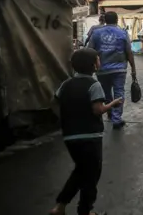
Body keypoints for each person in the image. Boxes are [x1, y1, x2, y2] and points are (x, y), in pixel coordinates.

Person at [49, 48, 122, 215]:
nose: (99, 62)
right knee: (91, 175)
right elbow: (98, 109)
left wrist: (66, 118)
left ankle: (60, 206)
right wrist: (113, 104)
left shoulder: (66, 84)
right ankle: (85, 210)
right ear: (93, 65)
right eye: (98, 59)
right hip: (90, 136)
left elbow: (54, 104)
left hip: (70, 136)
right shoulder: (94, 85)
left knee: (81, 171)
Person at [87, 11, 136, 129]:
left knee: (106, 92)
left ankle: (110, 112)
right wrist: (133, 69)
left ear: (105, 20)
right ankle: (116, 119)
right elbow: (129, 52)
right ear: (117, 19)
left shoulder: (96, 33)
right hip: (119, 69)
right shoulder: (123, 33)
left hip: (102, 69)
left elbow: (90, 50)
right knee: (119, 92)